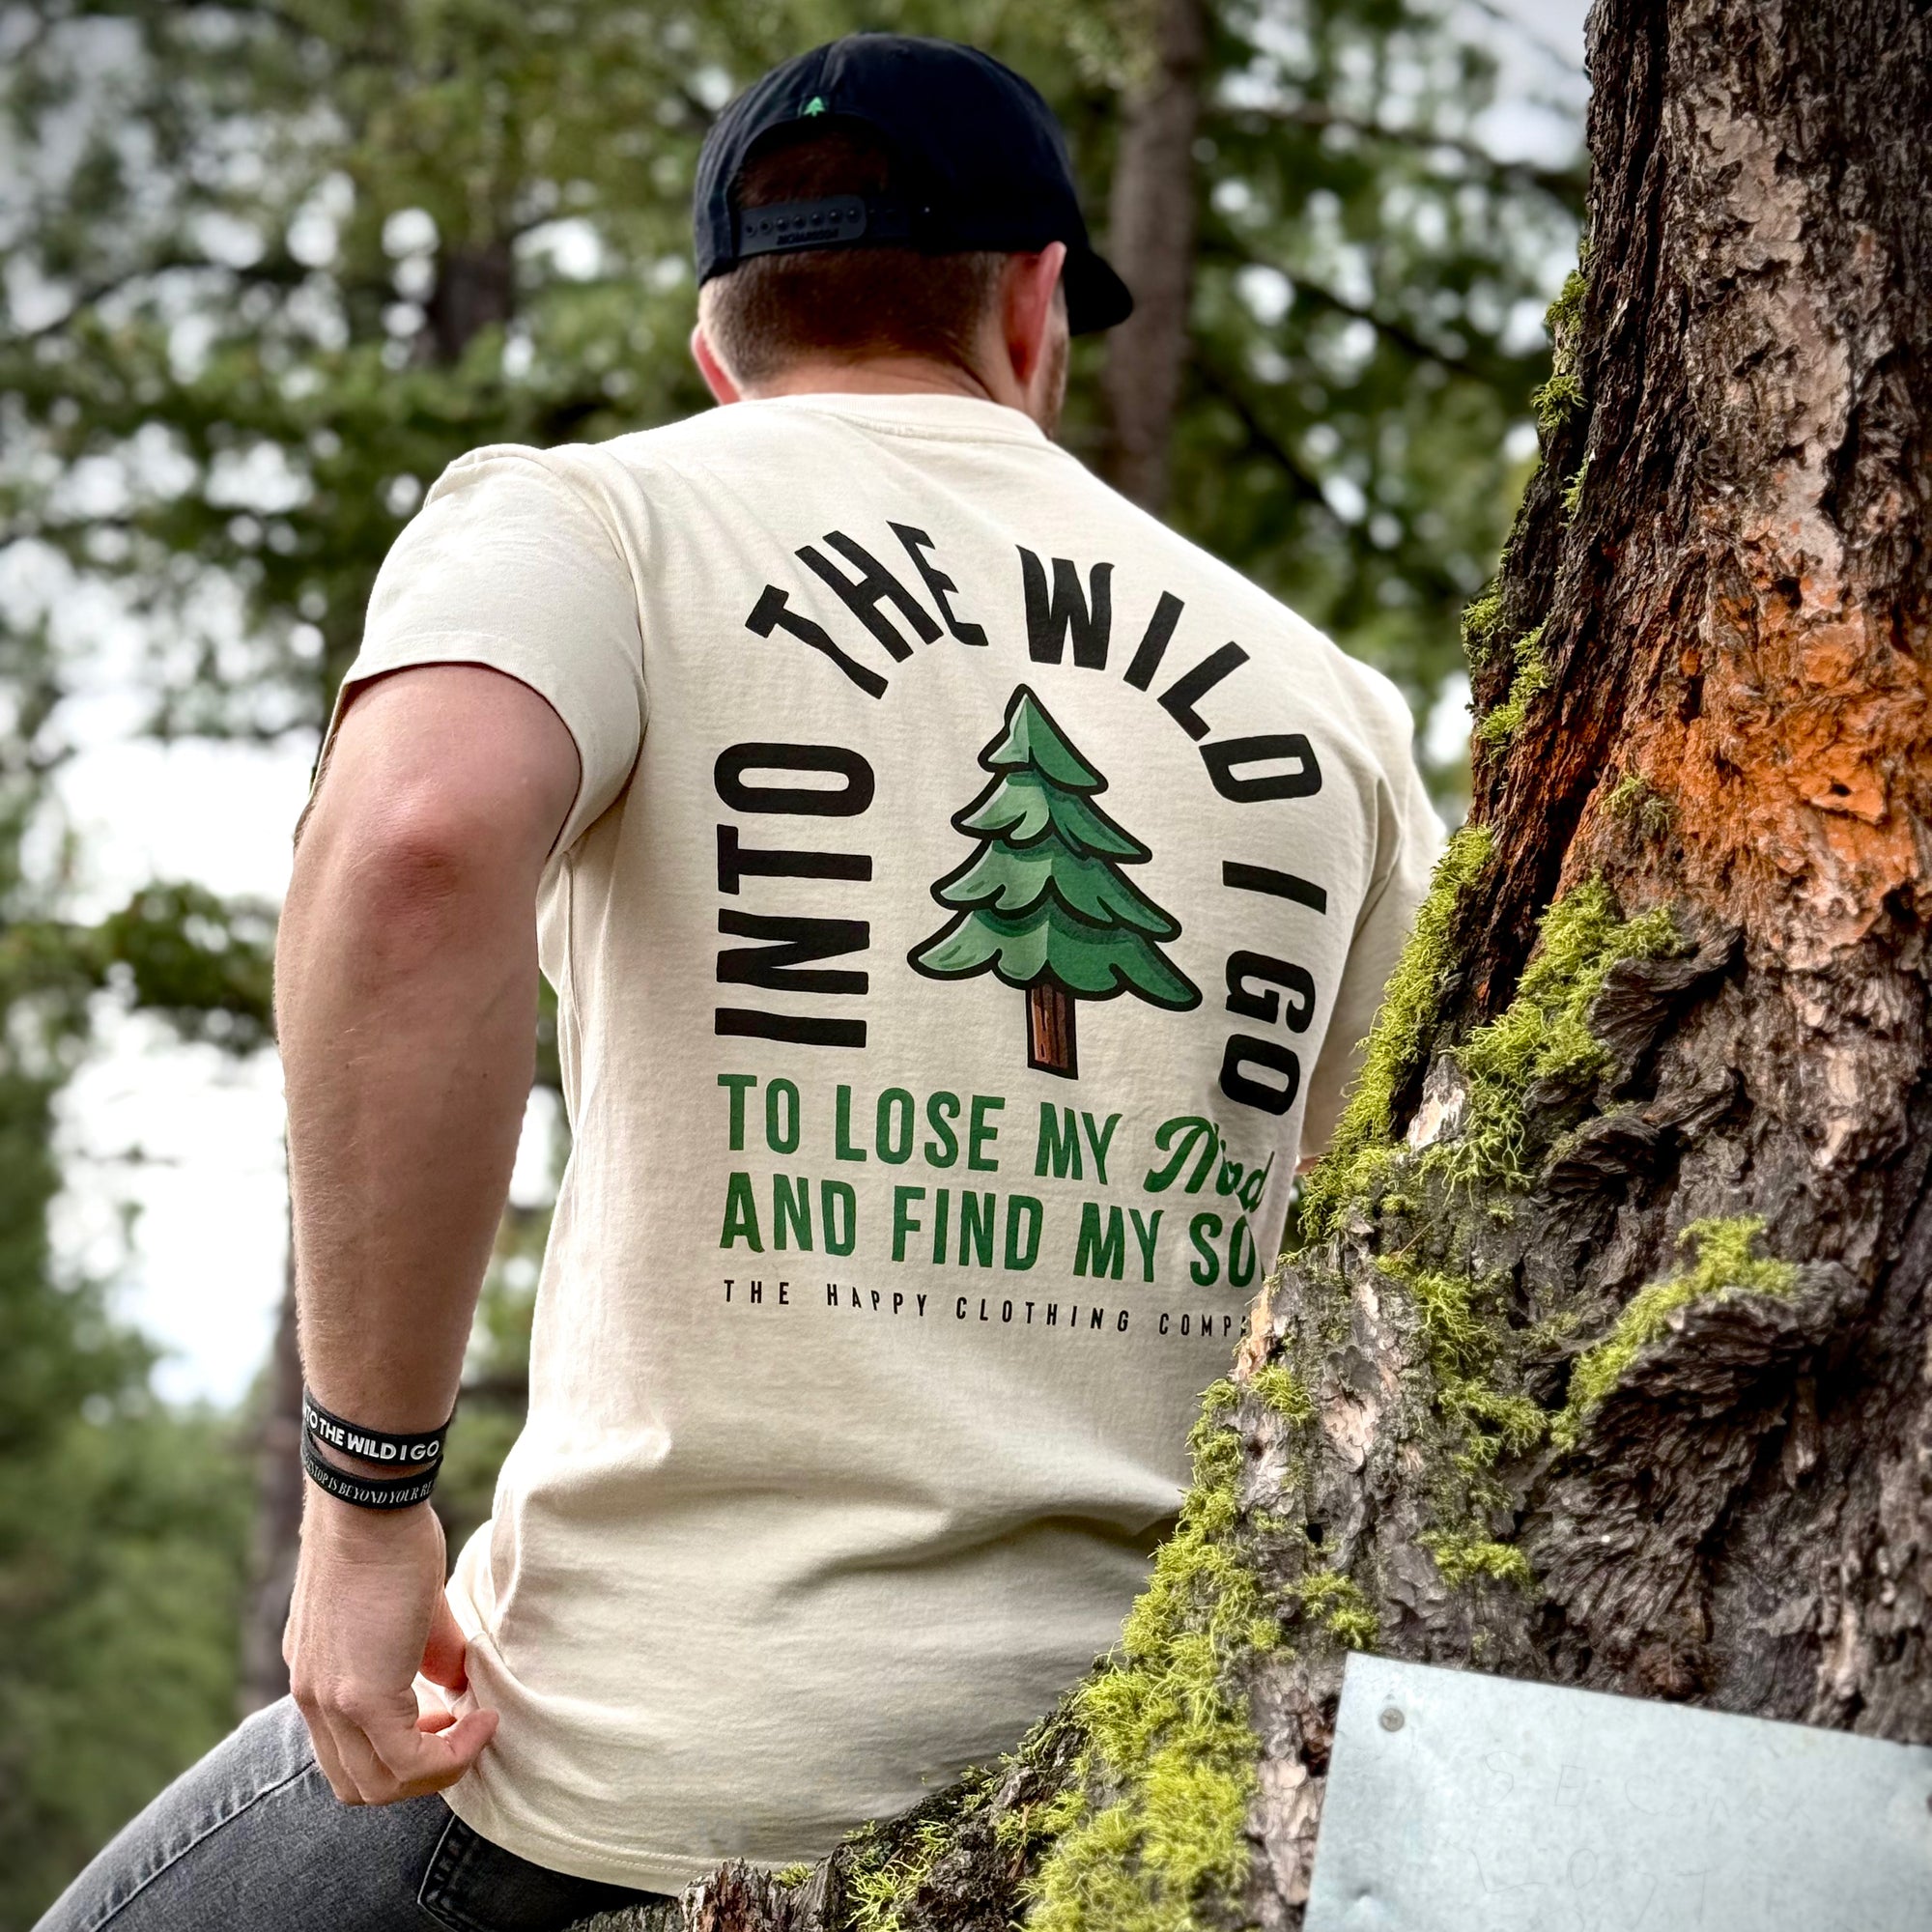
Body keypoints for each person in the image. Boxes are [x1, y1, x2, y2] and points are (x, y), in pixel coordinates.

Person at [40, 33, 1440, 1932]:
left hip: (631, 1759)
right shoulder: (1330, 705)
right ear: (1032, 307)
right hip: (1143, 1760)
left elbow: (415, 839)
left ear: (719, 345)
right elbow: (1388, 1253)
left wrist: (366, 1511)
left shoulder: (599, 522)